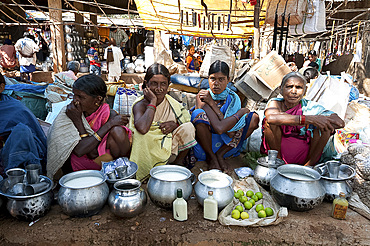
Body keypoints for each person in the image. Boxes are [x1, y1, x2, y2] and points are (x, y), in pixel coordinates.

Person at [47, 74, 131, 179]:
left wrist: (109, 125)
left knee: (118, 131)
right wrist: (78, 121)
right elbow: (80, 151)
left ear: (97, 100)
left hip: (104, 164)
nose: (75, 100)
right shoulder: (71, 112)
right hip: (77, 164)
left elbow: (93, 153)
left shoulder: (110, 115)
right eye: (74, 95)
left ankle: (121, 174)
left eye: (81, 97)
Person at [260, 72, 345, 166]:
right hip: (279, 154)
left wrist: (319, 119)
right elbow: (271, 118)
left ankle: (309, 166)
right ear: (281, 89)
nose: (293, 91)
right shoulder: (275, 103)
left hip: (308, 156)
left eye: (299, 87)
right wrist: (308, 119)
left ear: (305, 91)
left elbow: (340, 123)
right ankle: (278, 162)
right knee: (269, 123)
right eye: (289, 86)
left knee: (325, 126)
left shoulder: (311, 107)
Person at [129, 63, 197, 181]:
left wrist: (174, 125)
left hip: (169, 148)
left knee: (189, 127)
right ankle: (149, 171)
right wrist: (153, 101)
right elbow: (143, 129)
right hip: (147, 150)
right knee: (143, 136)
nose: (159, 88)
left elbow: (184, 120)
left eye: (163, 84)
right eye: (154, 83)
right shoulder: (140, 104)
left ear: (168, 85)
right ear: (146, 84)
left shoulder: (172, 103)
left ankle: (176, 165)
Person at [191, 60, 260, 172]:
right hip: (206, 146)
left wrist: (230, 120)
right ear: (208, 79)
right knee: (198, 114)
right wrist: (240, 112)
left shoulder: (233, 98)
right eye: (213, 79)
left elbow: (231, 131)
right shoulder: (203, 96)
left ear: (228, 80)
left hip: (227, 145)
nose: (216, 83)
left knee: (253, 118)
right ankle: (212, 158)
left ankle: (220, 154)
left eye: (221, 79)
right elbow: (220, 129)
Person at [0, 74, 47, 175]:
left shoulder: (16, 108)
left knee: (22, 132)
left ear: (1, 88)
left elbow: (36, 136)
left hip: (10, 154)